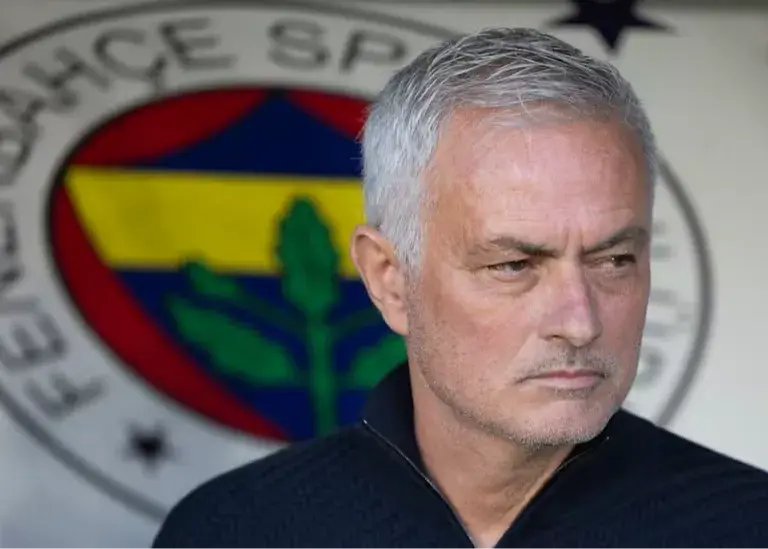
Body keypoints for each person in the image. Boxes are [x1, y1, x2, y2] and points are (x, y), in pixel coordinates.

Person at [151, 28, 768, 548]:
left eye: (614, 260)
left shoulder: (746, 526)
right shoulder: (235, 531)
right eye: (514, 265)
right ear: (390, 279)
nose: (580, 322)